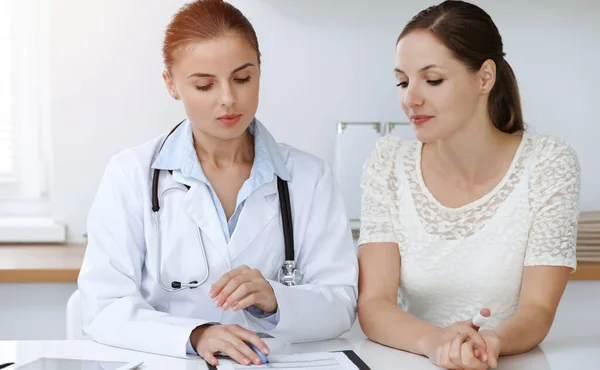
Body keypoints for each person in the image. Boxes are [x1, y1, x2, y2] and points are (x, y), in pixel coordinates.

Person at [77, 0, 357, 366]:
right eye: (205, 85)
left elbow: (339, 305)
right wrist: (195, 334)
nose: (228, 99)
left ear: (260, 71)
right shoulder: (130, 174)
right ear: (171, 85)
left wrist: (275, 299)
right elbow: (103, 306)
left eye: (242, 79)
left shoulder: (309, 177)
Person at [357, 1, 580, 369]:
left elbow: (538, 309)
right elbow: (373, 305)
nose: (410, 98)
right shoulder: (387, 165)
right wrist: (437, 343)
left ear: (484, 78)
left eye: (433, 80)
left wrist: (491, 342)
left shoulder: (548, 164)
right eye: (402, 80)